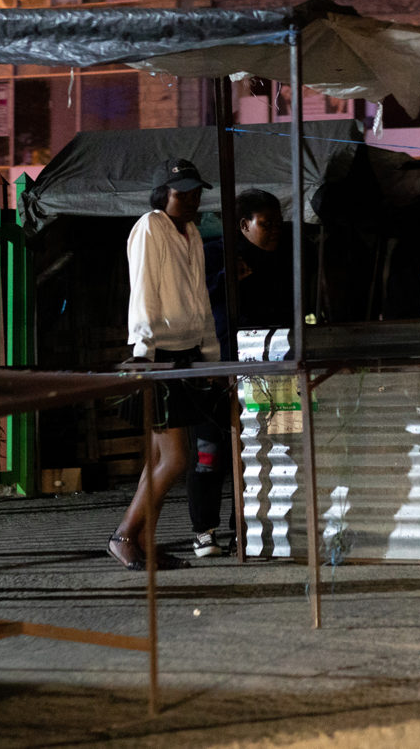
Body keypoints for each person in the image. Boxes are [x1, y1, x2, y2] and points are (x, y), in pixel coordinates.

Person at [107, 158, 221, 572]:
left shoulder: (190, 232)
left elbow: (201, 300)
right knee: (174, 459)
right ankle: (123, 536)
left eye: (195, 192)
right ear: (163, 193)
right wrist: (144, 354)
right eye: (182, 192)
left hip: (186, 352)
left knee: (159, 460)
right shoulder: (150, 226)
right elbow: (143, 294)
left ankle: (141, 541)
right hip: (159, 355)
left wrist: (210, 354)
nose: (191, 199)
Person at [194, 189, 292, 557]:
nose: (274, 231)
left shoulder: (284, 258)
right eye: (266, 224)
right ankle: (204, 530)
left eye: (278, 223)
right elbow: (198, 303)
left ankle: (249, 529)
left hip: (274, 364)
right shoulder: (215, 255)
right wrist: (225, 279)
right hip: (219, 366)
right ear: (243, 224)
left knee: (269, 449)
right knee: (210, 452)